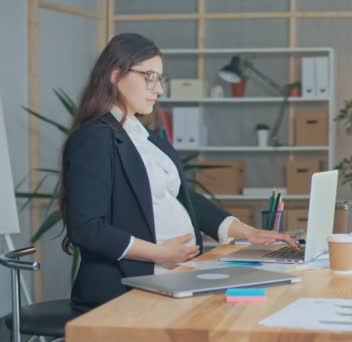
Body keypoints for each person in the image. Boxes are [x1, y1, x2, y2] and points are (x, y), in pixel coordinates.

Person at [59, 33, 298, 312]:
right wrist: (160, 253)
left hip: (174, 277)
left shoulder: (146, 137)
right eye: (150, 77)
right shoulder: (94, 138)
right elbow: (87, 229)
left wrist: (247, 232)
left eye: (160, 79)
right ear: (115, 75)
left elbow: (182, 198)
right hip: (127, 288)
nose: (158, 89)